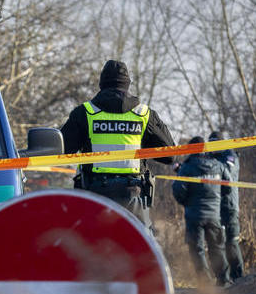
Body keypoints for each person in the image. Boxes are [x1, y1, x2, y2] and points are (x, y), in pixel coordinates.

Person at [60, 60, 176, 230]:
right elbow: (170, 156)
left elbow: (62, 149)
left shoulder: (85, 113)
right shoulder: (144, 115)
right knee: (140, 249)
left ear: (102, 84)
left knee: (85, 248)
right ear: (127, 84)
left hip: (94, 197)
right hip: (133, 196)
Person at [172, 136, 232, 287]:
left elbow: (178, 190)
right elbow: (228, 186)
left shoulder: (187, 167)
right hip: (214, 215)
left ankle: (205, 283)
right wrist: (217, 200)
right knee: (217, 247)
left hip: (193, 215)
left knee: (197, 249)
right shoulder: (218, 165)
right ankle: (224, 280)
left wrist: (186, 203)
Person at [208, 130, 243, 280]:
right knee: (216, 243)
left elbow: (228, 172)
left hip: (229, 206)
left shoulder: (230, 155)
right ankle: (223, 277)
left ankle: (239, 277)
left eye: (215, 144)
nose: (212, 148)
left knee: (231, 243)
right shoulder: (211, 157)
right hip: (214, 206)